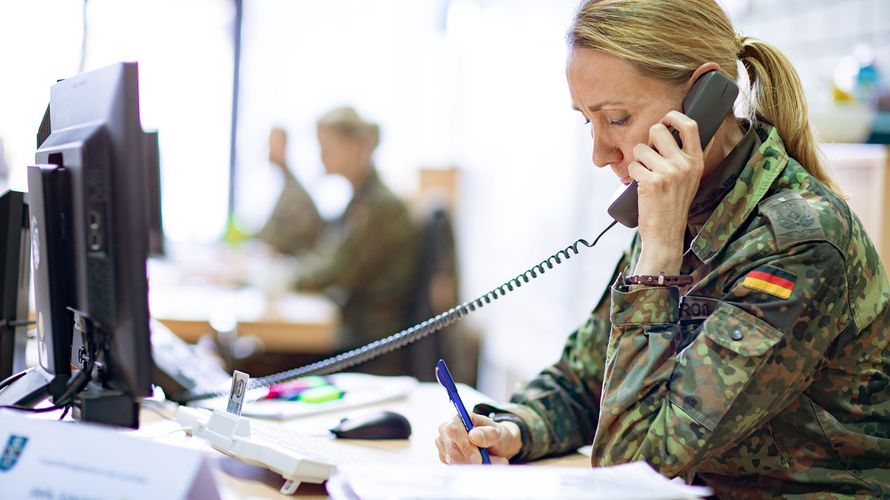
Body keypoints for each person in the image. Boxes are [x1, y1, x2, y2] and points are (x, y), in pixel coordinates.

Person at [435, 1, 890, 497]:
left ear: (705, 98)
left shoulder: (798, 242)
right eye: (588, 121)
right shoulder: (678, 211)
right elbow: (586, 382)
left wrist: (656, 265)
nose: (599, 153)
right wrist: (512, 429)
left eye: (617, 118)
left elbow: (634, 471)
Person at [293, 107, 420, 376]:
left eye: (327, 147)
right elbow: (328, 258)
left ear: (357, 147)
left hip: (371, 347)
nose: (321, 156)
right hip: (358, 336)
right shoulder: (361, 201)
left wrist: (278, 277)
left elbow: (336, 270)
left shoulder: (379, 207)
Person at [255, 127, 324, 256]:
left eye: (272, 144)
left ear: (283, 146)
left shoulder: (295, 193)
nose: (268, 150)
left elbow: (290, 239)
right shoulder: (280, 185)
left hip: (297, 262)